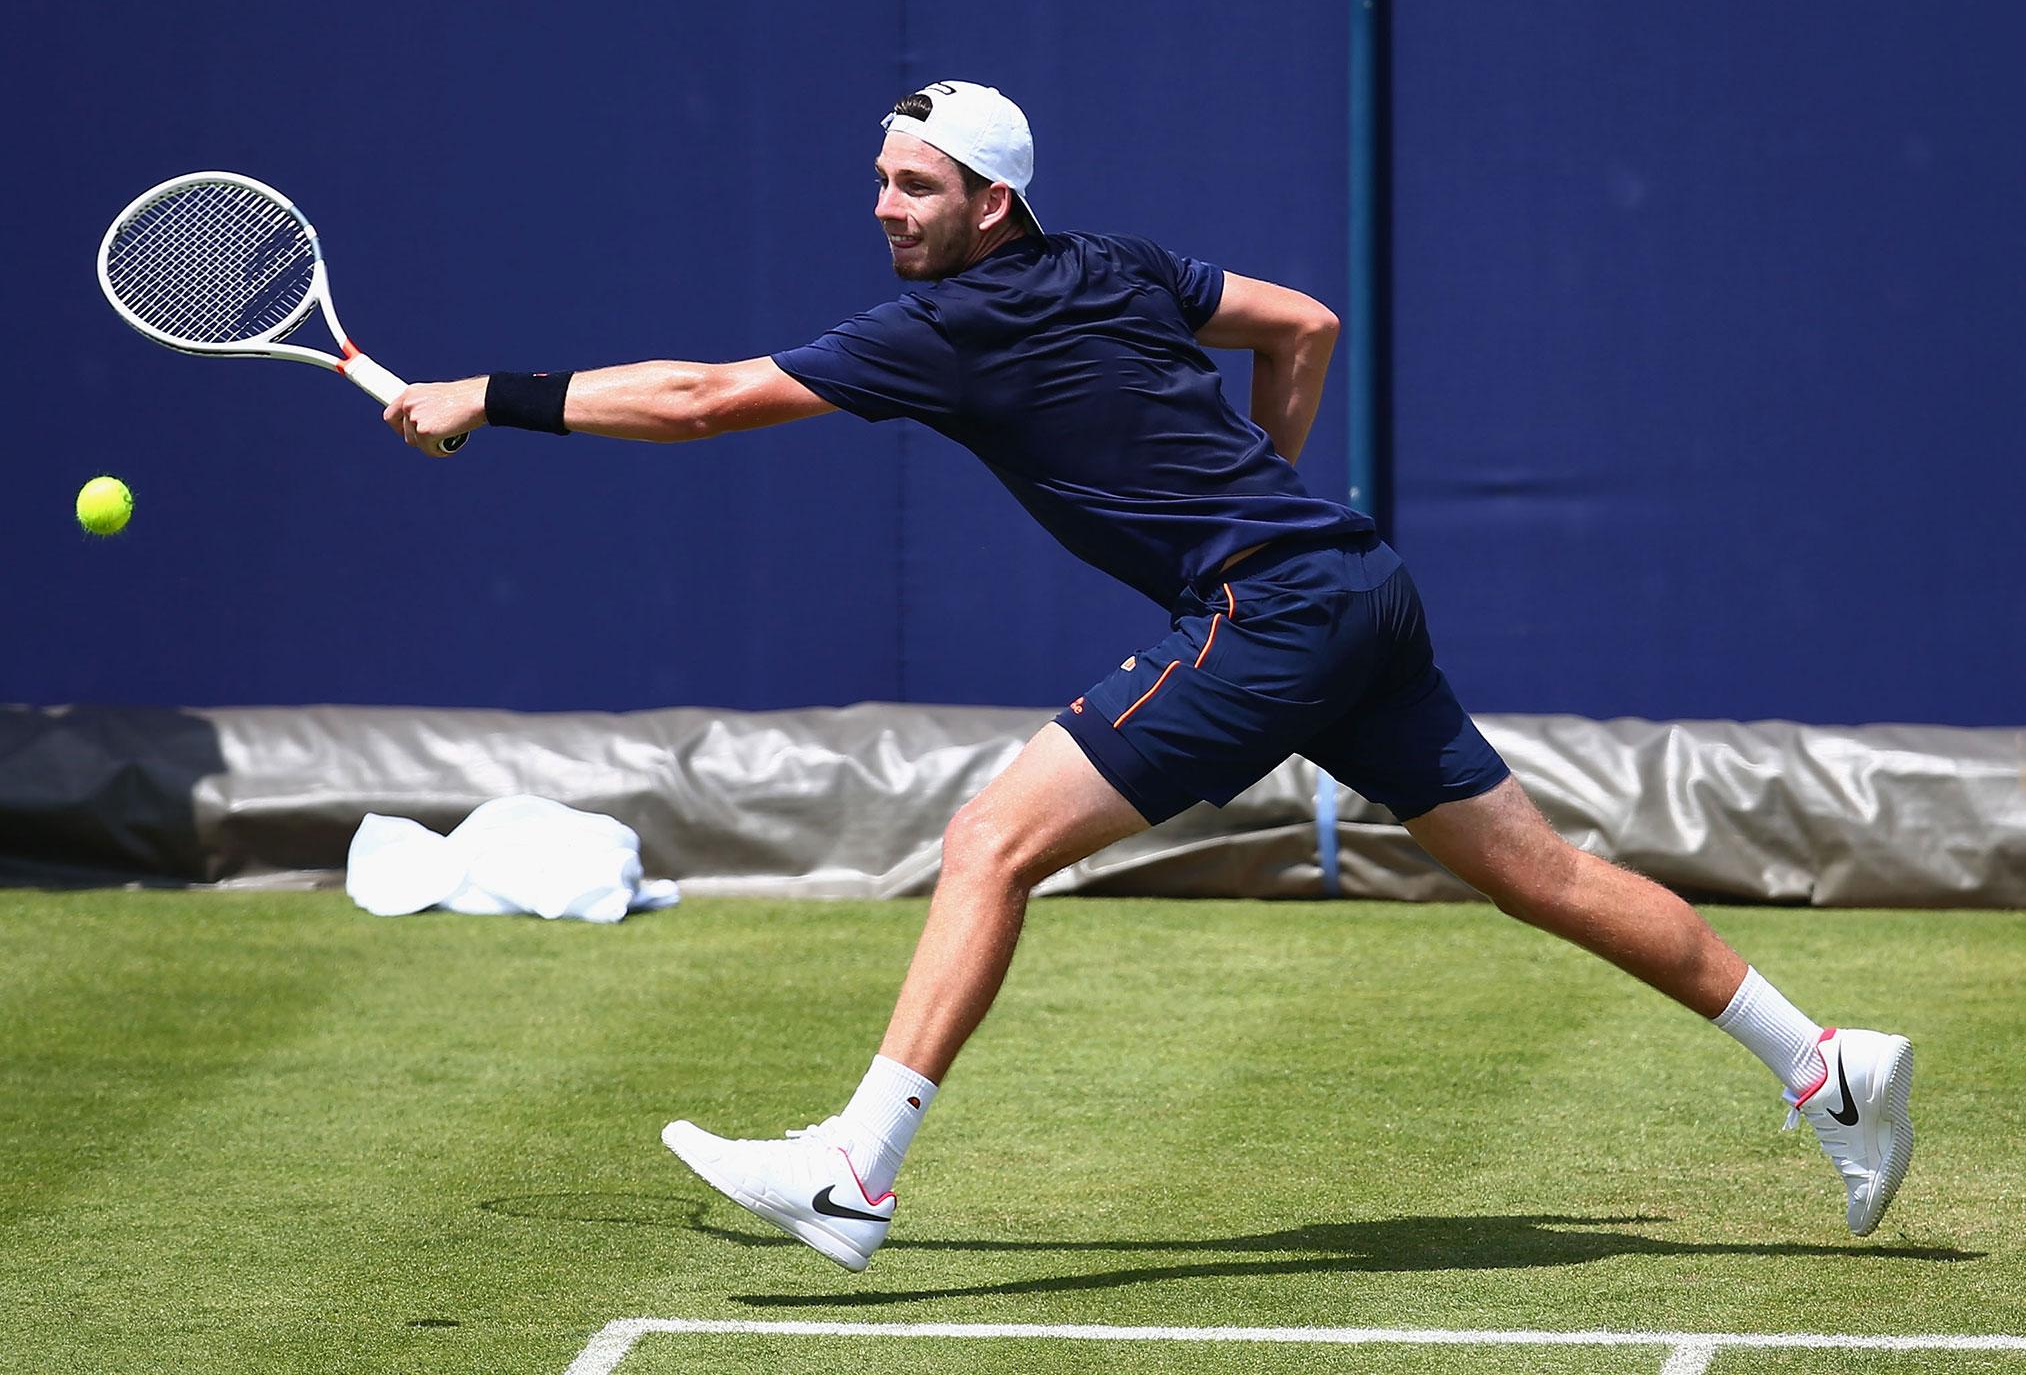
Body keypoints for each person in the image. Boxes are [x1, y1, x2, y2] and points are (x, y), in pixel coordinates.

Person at [386, 80, 1915, 1273]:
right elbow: (1301, 322)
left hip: (1278, 610)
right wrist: (1269, 490)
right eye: (879, 182)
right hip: (1353, 588)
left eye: (912, 188)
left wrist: (488, 396)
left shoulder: (951, 324)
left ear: (992, 202)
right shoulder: (1115, 265)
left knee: (989, 840)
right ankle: (1828, 1068)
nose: (884, 208)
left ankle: (857, 1171)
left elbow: (708, 400)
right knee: (1537, 874)